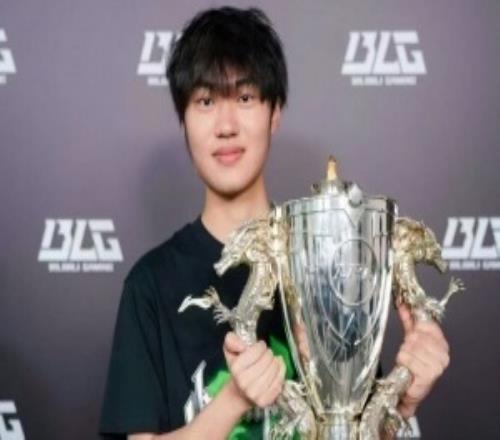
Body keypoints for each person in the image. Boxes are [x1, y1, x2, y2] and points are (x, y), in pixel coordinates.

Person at [99, 6, 450, 440]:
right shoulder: (150, 285)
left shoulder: (330, 262)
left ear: (275, 112)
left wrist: (402, 399)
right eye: (206, 101)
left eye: (245, 98)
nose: (226, 126)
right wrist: (232, 400)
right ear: (183, 122)